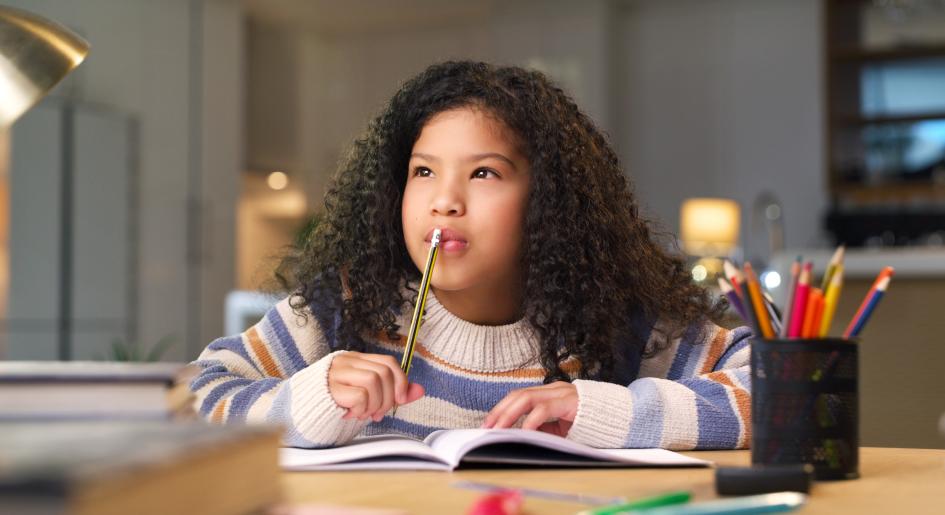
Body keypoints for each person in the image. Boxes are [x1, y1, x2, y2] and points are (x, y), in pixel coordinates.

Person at [190, 61, 752, 450]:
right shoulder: (344, 309)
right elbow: (194, 397)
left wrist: (602, 411)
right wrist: (308, 400)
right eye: (423, 172)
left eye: (484, 173)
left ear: (547, 200)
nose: (445, 201)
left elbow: (777, 388)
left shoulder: (619, 324)